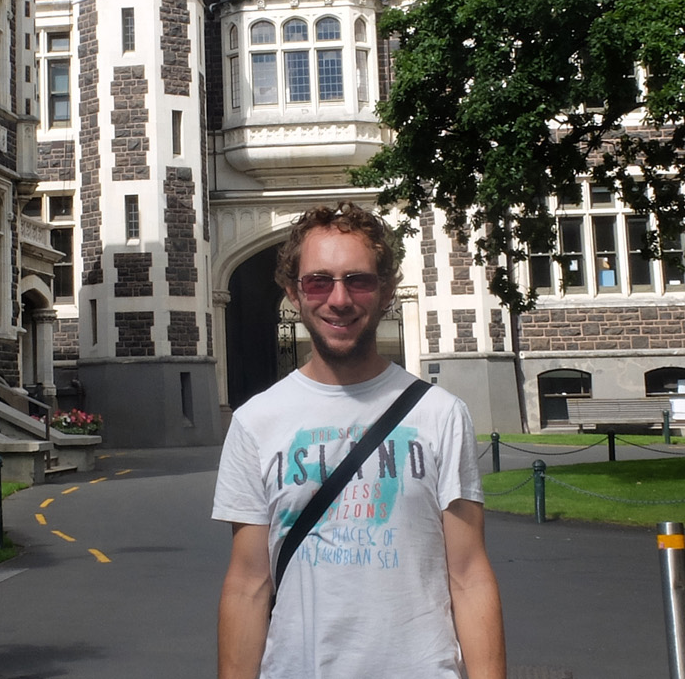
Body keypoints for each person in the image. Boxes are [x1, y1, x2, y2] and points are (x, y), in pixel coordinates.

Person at [214, 203, 505, 679]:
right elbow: (247, 583)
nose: (339, 298)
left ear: (386, 291)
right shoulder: (255, 421)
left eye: (359, 280)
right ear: (294, 292)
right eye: (319, 281)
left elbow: (469, 575)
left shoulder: (440, 414)